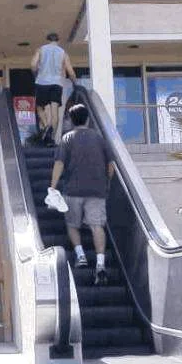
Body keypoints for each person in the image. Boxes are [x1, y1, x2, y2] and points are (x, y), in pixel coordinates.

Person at [50, 104, 114, 285]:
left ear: (70, 120)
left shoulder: (67, 138)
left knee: (72, 224)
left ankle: (80, 255)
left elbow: (59, 164)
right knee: (97, 226)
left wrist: (53, 187)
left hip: (73, 190)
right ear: (87, 119)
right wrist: (106, 183)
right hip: (97, 190)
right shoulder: (99, 138)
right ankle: (100, 264)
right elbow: (111, 166)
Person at [31, 32, 77, 146]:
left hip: (42, 82)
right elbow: (70, 72)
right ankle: (51, 138)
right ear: (58, 41)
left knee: (39, 107)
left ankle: (47, 125)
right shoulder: (63, 53)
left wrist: (36, 74)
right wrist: (74, 82)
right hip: (57, 84)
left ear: (47, 40)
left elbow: (33, 65)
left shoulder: (40, 50)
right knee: (54, 110)